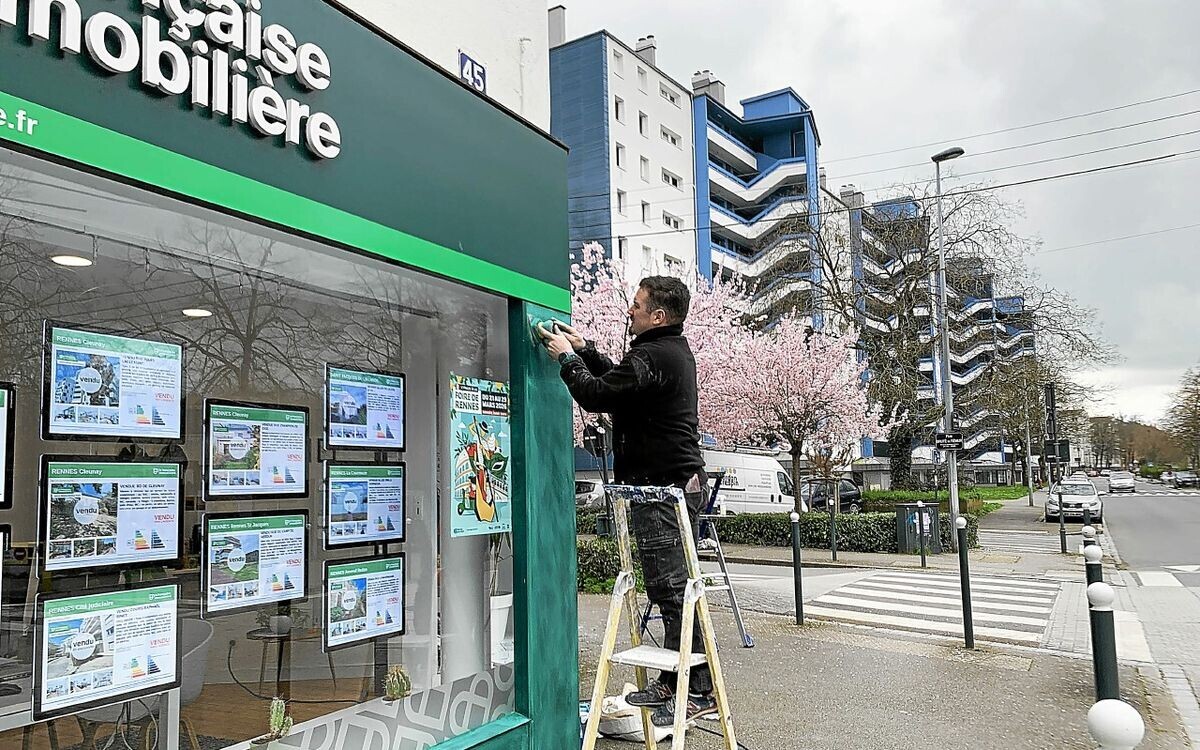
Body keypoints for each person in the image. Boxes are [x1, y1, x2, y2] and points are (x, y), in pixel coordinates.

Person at [539, 276, 715, 726]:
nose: (629, 311)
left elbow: (597, 394)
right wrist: (587, 350)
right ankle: (677, 681)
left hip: (663, 488)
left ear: (658, 315)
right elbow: (622, 383)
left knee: (672, 589)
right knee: (672, 588)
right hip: (673, 484)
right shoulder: (666, 352)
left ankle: (698, 689)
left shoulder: (654, 356)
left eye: (636, 305)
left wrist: (567, 359)